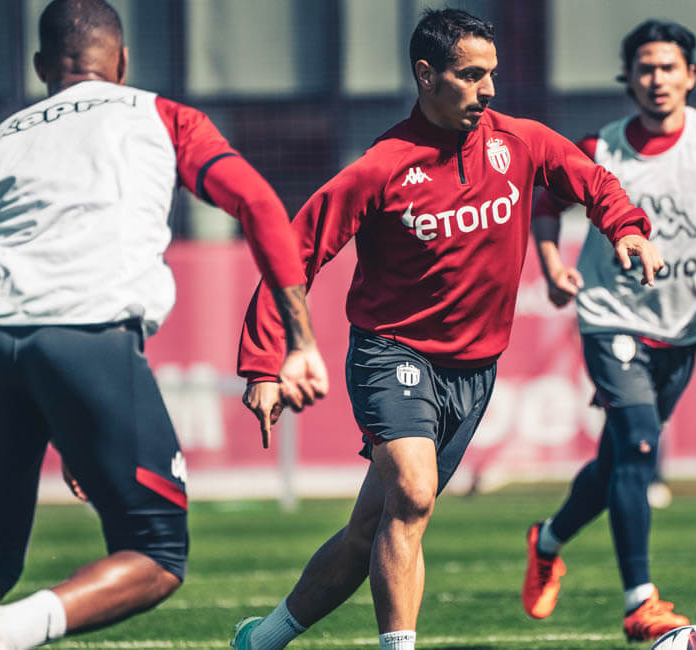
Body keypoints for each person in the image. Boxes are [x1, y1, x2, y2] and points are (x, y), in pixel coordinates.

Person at [229, 9, 664, 650]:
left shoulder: (518, 141)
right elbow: (294, 253)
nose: (488, 90)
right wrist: (265, 362)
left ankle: (260, 640)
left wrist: (626, 227)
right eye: (471, 75)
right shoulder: (381, 166)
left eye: (492, 74)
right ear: (426, 74)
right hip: (392, 352)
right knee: (413, 493)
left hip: (474, 372)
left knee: (371, 531)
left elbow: (592, 178)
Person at [0, 1, 328, 649]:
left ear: (40, 66)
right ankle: (8, 633)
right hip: (86, 337)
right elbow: (257, 202)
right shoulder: (161, 116)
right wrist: (300, 341)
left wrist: (58, 417)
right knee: (156, 554)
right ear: (124, 61)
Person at [522, 19, 696, 642]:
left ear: (690, 75)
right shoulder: (601, 147)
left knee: (620, 458)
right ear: (629, 78)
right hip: (611, 316)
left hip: (683, 329)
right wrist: (553, 266)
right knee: (641, 447)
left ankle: (549, 539)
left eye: (669, 67)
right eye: (645, 68)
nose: (657, 79)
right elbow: (545, 203)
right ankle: (640, 601)